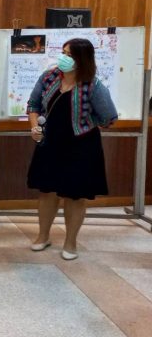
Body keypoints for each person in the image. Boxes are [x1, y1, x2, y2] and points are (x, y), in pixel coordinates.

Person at [27, 39, 117, 260]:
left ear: (82, 59)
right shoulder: (49, 77)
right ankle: (43, 236)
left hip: (82, 146)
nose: (63, 58)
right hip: (49, 142)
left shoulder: (93, 85)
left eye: (69, 55)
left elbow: (109, 118)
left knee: (75, 195)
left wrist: (87, 122)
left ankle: (70, 243)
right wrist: (34, 127)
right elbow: (34, 104)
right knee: (46, 191)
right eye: (63, 52)